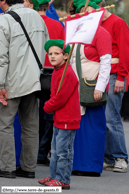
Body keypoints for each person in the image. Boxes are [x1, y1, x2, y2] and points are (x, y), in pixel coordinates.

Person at [0, 0, 49, 178]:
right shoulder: (37, 17)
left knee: (4, 124)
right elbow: (46, 45)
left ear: (4, 1)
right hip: (34, 80)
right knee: (31, 126)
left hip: (11, 80)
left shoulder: (4, 20)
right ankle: (29, 168)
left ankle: (7, 167)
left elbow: (1, 57)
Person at [68, 0, 112, 177]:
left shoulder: (101, 33)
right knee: (77, 126)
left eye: (91, 11)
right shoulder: (76, 32)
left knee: (93, 126)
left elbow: (106, 62)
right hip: (75, 87)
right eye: (84, 11)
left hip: (93, 87)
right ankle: (77, 164)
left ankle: (91, 166)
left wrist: (100, 87)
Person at [91, 0, 129, 172]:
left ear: (101, 5)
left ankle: (121, 157)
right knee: (103, 118)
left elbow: (125, 50)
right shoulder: (95, 22)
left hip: (115, 75)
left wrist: (122, 76)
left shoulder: (118, 22)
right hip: (101, 75)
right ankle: (109, 158)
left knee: (112, 117)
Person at [38, 39, 81, 189]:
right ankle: (53, 176)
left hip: (67, 119)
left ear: (66, 55)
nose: (53, 56)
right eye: (50, 53)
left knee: (64, 152)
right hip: (59, 119)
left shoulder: (67, 73)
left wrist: (47, 106)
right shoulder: (57, 71)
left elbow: (60, 97)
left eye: (57, 53)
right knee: (55, 151)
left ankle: (63, 179)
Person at [36, 0, 65, 165]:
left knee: (33, 114)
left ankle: (35, 151)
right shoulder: (57, 25)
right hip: (53, 73)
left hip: (35, 71)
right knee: (49, 114)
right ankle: (43, 151)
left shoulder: (31, 22)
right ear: (48, 6)